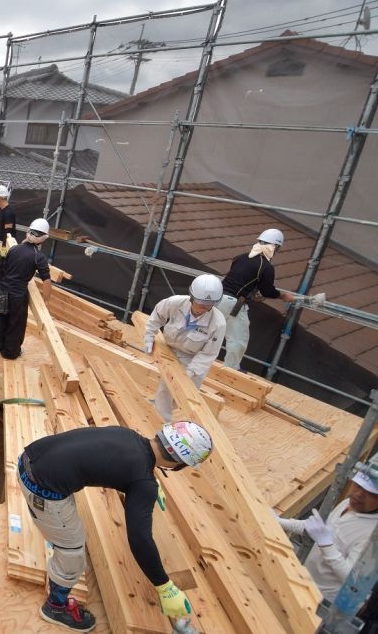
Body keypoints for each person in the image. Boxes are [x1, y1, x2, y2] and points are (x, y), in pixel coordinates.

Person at [20, 421, 213, 630]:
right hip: (41, 489)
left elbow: (114, 460)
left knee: (70, 532)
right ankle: (55, 607)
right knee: (72, 553)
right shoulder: (143, 482)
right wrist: (164, 586)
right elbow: (140, 539)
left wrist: (148, 483)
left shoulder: (128, 434)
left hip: (30, 457)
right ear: (179, 464)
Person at [278, 462, 378, 602]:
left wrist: (327, 545)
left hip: (322, 600)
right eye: (358, 485)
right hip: (303, 579)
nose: (359, 494)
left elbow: (351, 579)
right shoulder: (347, 504)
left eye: (370, 493)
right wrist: (282, 522)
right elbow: (317, 530)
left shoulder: (373, 535)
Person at [143, 275, 227, 422]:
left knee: (188, 392)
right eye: (200, 303)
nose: (203, 308)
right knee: (167, 386)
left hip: (192, 357)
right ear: (192, 297)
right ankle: (162, 420)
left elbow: (208, 354)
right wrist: (149, 336)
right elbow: (157, 316)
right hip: (168, 348)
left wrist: (191, 371)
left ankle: (165, 406)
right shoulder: (175, 303)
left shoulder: (218, 323)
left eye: (208, 305)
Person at [218, 228, 296, 369]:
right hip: (233, 304)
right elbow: (268, 291)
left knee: (207, 329)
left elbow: (239, 280)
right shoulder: (266, 266)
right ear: (275, 247)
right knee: (238, 339)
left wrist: (251, 294)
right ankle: (231, 369)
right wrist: (283, 296)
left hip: (217, 297)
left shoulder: (240, 257)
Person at [0, 217, 52, 359]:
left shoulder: (14, 249)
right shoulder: (38, 256)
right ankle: (10, 352)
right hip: (17, 294)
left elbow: (3, 266)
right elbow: (46, 281)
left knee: (2, 318)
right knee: (16, 323)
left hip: (3, 289)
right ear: (44, 238)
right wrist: (46, 301)